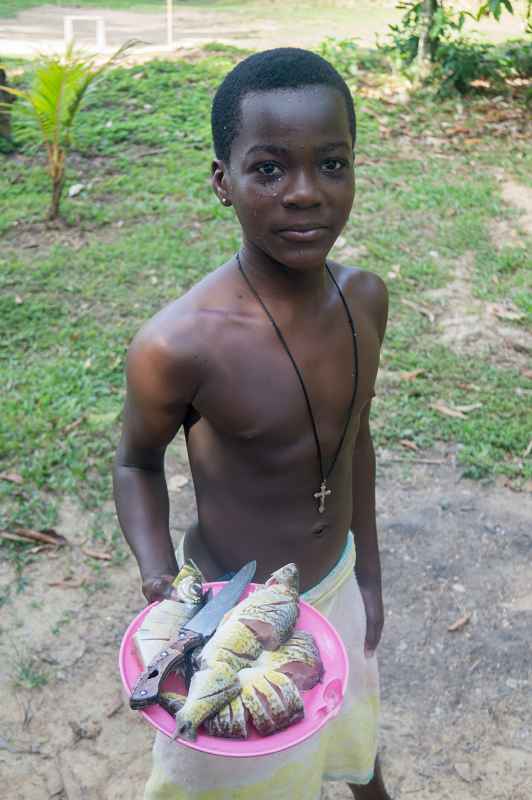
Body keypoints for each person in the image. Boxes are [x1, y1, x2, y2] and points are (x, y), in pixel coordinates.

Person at [114, 47, 392, 800]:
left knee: (344, 725)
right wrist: (154, 573)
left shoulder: (366, 300)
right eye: (269, 169)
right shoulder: (179, 343)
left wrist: (366, 570)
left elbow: (353, 440)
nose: (305, 193)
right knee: (225, 770)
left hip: (332, 582)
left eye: (332, 164)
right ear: (222, 182)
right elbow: (136, 463)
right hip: (227, 615)